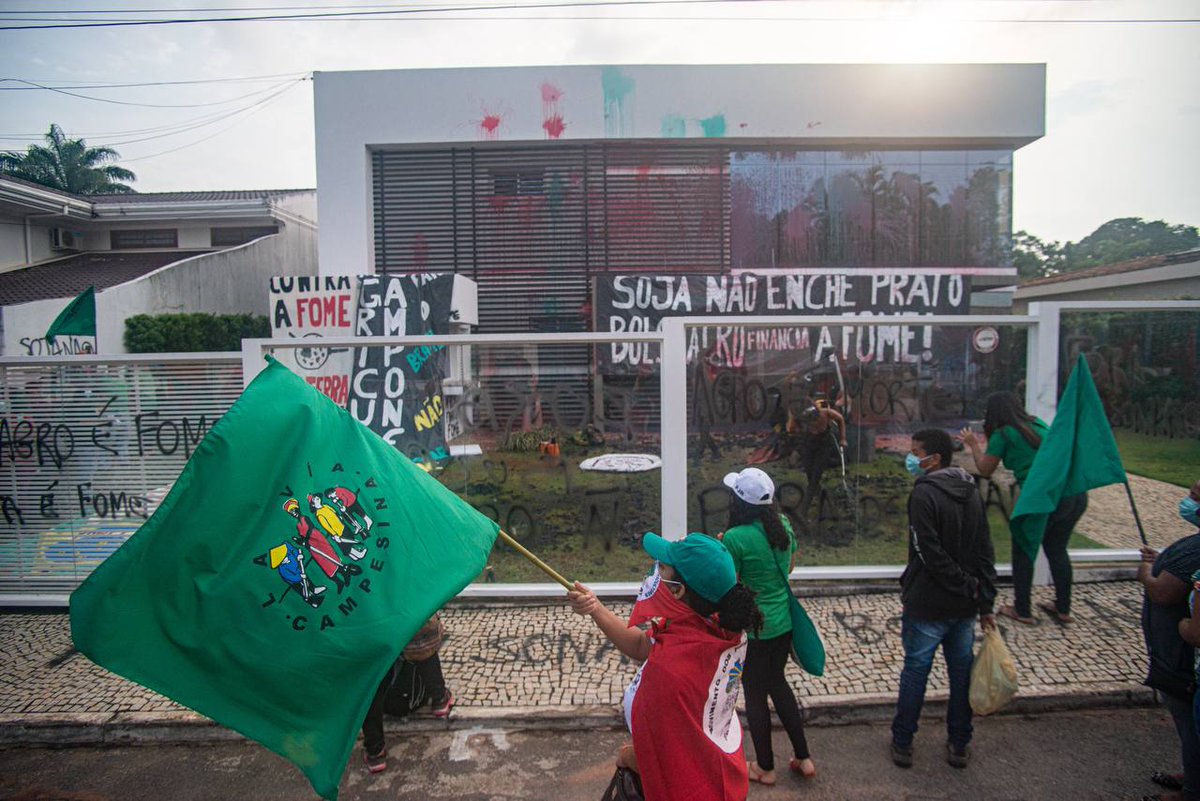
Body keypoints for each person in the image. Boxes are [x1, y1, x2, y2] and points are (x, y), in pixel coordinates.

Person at [568, 533, 764, 801]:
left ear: (677, 590)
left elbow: (662, 756)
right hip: (721, 777)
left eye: (663, 567)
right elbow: (640, 644)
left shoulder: (670, 670)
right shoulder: (718, 626)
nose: (656, 569)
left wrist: (629, 756)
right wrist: (596, 608)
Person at [891, 428, 997, 770]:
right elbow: (985, 549)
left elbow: (928, 551)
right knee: (960, 673)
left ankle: (903, 740)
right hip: (964, 605)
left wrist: (963, 584)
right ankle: (959, 742)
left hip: (929, 603)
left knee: (916, 673)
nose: (911, 458)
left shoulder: (923, 494)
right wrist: (982, 599)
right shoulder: (971, 491)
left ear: (934, 458)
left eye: (915, 451)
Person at [719, 467, 816, 783]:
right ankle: (804, 758)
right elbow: (788, 566)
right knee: (779, 685)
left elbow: (729, 583)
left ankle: (765, 767)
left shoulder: (736, 537)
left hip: (755, 627)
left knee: (756, 695)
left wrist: (724, 549)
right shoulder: (783, 526)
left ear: (740, 503)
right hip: (782, 623)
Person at [958, 391, 1087, 625]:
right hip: (1072, 493)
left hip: (1041, 494)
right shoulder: (1037, 424)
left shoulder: (1004, 434)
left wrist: (973, 445)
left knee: (1024, 549)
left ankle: (1023, 610)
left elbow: (985, 469)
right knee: (1057, 549)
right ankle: (1063, 608)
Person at [1140, 478, 1200, 801]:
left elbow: (1164, 591)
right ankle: (1192, 774)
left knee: (1190, 724)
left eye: (1195, 496)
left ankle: (1192, 790)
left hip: (1181, 660)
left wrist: (1146, 573)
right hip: (1177, 658)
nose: (1188, 501)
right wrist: (1163, 558)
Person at [360, 614, 456, 774]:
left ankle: (375, 750)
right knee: (422, 630)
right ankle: (439, 698)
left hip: (370, 628)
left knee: (369, 678)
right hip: (407, 630)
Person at [790, 398, 847, 516]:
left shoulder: (826, 413)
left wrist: (842, 438)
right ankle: (827, 502)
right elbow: (793, 428)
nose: (814, 424)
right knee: (811, 476)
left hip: (823, 445)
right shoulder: (801, 417)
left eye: (815, 421)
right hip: (809, 444)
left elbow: (840, 418)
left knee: (815, 477)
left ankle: (803, 510)